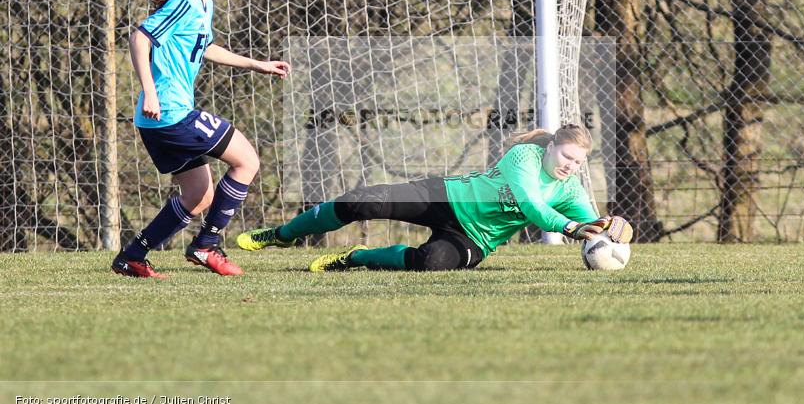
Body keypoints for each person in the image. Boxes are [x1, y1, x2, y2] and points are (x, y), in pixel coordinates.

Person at [112, 0, 291, 279]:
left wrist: (258, 64)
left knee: (199, 195)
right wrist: (149, 90)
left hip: (162, 120)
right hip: (169, 113)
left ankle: (133, 256)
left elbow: (205, 48)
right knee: (247, 161)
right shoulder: (187, 0)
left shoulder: (203, 4)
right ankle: (206, 245)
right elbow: (140, 37)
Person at [236, 124, 632, 271]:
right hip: (447, 197)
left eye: (579, 162)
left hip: (476, 239)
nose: (571, 166)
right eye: (567, 156)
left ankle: (355, 258)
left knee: (430, 263)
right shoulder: (524, 155)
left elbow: (592, 221)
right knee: (362, 202)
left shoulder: (570, 187)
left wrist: (611, 229)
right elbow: (530, 202)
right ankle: (283, 234)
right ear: (551, 147)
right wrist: (570, 227)